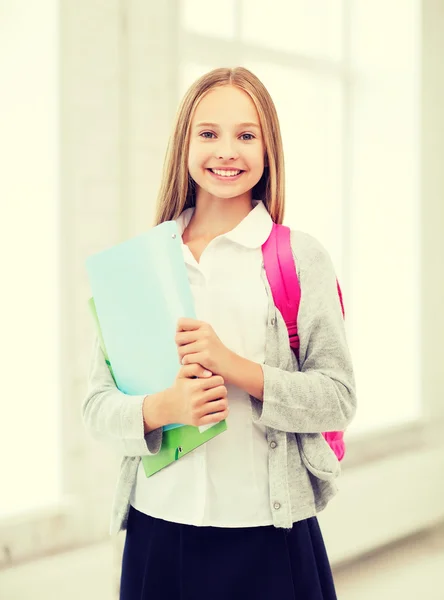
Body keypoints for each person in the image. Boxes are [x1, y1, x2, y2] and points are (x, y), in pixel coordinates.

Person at [82, 66, 357, 600]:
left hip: (268, 535)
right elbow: (96, 405)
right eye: (208, 133)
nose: (226, 151)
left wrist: (237, 368)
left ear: (268, 147)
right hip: (158, 532)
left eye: (246, 135)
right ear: (184, 143)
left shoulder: (299, 257)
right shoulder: (142, 263)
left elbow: (338, 398)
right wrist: (163, 408)